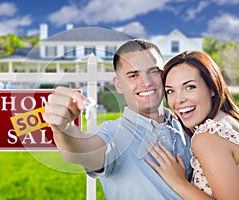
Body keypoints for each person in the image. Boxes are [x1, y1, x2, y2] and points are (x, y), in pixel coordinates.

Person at [43, 39, 192, 199]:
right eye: (133, 75)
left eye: (154, 71)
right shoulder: (111, 133)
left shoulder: (186, 125)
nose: (146, 82)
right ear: (118, 84)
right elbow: (82, 151)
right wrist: (63, 129)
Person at [146, 50, 239, 200]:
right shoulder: (229, 121)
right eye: (170, 91)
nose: (178, 100)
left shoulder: (208, 137)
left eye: (190, 87)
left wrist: (179, 183)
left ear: (212, 88)